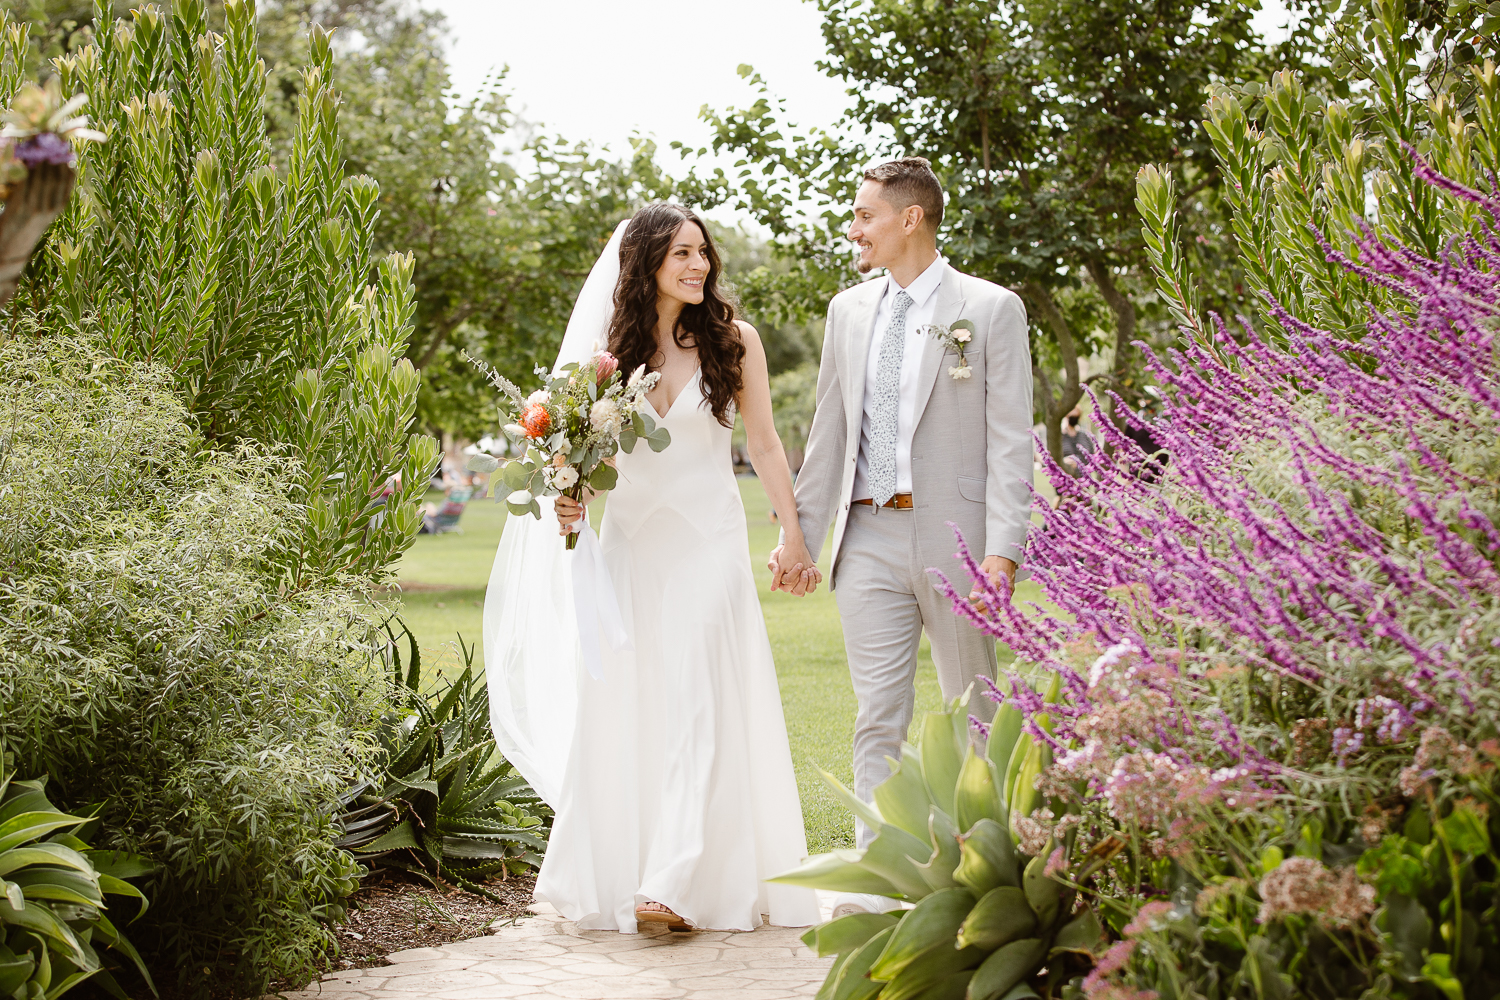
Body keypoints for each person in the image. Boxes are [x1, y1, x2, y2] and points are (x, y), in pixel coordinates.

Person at [482, 203, 821, 934]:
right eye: (681, 254)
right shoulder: (607, 358)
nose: (699, 266)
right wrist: (570, 497)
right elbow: (583, 462)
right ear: (647, 266)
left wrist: (793, 534)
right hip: (631, 546)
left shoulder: (735, 341)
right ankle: (624, 871)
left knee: (699, 694)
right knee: (634, 702)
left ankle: (675, 881)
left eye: (703, 253)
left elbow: (765, 444)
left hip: (708, 543)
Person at [769, 157, 1034, 919]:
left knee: (975, 710)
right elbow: (829, 433)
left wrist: (1003, 549)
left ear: (909, 218)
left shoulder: (991, 308)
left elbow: (1010, 439)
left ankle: (988, 879)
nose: (854, 229)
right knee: (876, 714)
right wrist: (799, 538)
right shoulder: (847, 311)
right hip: (868, 538)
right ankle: (880, 884)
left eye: (865, 216)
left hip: (959, 540)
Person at [1061, 407, 1096, 473]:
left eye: (1076, 415)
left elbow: (1093, 455)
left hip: (1085, 475)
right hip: (1066, 474)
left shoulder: (1085, 436)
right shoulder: (1060, 437)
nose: (1074, 416)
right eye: (1072, 415)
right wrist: (1064, 461)